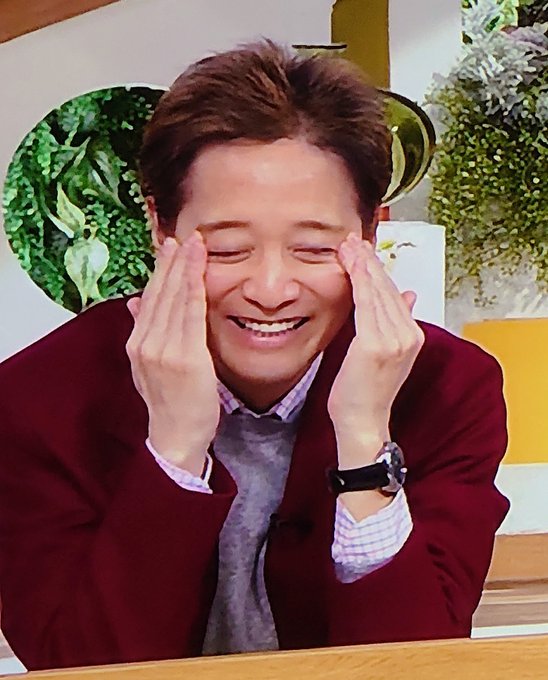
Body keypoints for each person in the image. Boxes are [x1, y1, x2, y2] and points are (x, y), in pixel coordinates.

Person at [0, 40, 509, 671]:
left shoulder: (450, 387)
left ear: (371, 234)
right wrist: (174, 451)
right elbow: (77, 668)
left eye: (314, 250)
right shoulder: (37, 399)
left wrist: (363, 441)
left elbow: (421, 667)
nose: (270, 291)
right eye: (228, 249)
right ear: (161, 228)